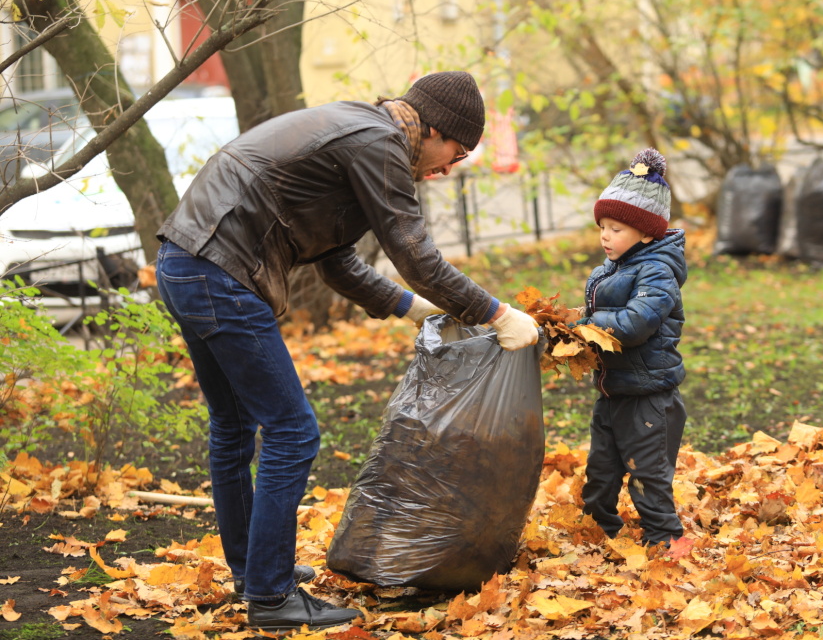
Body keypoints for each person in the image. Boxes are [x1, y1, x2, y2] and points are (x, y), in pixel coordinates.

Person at [154, 71, 539, 633]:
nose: (449, 168)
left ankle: (253, 572)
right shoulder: (379, 143)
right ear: (433, 129)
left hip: (186, 263)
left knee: (234, 428)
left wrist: (411, 307)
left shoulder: (364, 132)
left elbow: (338, 262)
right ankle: (271, 597)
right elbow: (415, 253)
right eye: (456, 152)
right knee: (293, 432)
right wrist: (497, 314)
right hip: (220, 275)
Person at [575, 148, 688, 550]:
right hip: (612, 392)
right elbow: (596, 315)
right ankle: (598, 532)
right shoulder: (609, 270)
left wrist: (586, 326)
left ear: (646, 233)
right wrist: (568, 325)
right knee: (600, 471)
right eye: (603, 227)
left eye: (617, 229)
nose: (605, 236)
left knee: (648, 477)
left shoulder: (657, 272)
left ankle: (667, 543)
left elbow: (636, 324)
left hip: (648, 398)